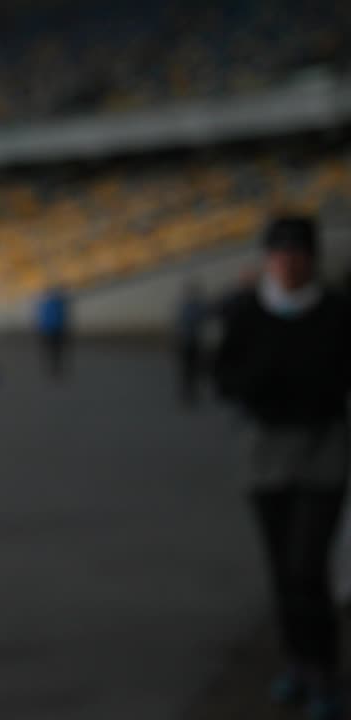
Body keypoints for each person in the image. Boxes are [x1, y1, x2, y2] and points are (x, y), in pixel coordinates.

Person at [213, 216, 351, 720]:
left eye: (298, 253)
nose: (289, 262)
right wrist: (258, 385)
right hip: (266, 453)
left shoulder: (337, 312)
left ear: (312, 259)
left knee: (307, 565)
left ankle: (325, 671)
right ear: (267, 259)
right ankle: (297, 661)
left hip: (323, 450)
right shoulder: (247, 313)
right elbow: (223, 376)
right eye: (280, 252)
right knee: (281, 571)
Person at [174, 280, 209, 407]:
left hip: (188, 341)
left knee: (189, 369)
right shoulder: (194, 306)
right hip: (191, 341)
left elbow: (180, 324)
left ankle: (188, 392)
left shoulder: (185, 306)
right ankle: (189, 392)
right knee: (190, 369)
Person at [36, 285, 71, 380]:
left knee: (54, 351)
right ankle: (55, 369)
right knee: (55, 351)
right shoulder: (59, 303)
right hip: (55, 330)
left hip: (52, 330)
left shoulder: (49, 303)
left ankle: (54, 369)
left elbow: (43, 318)